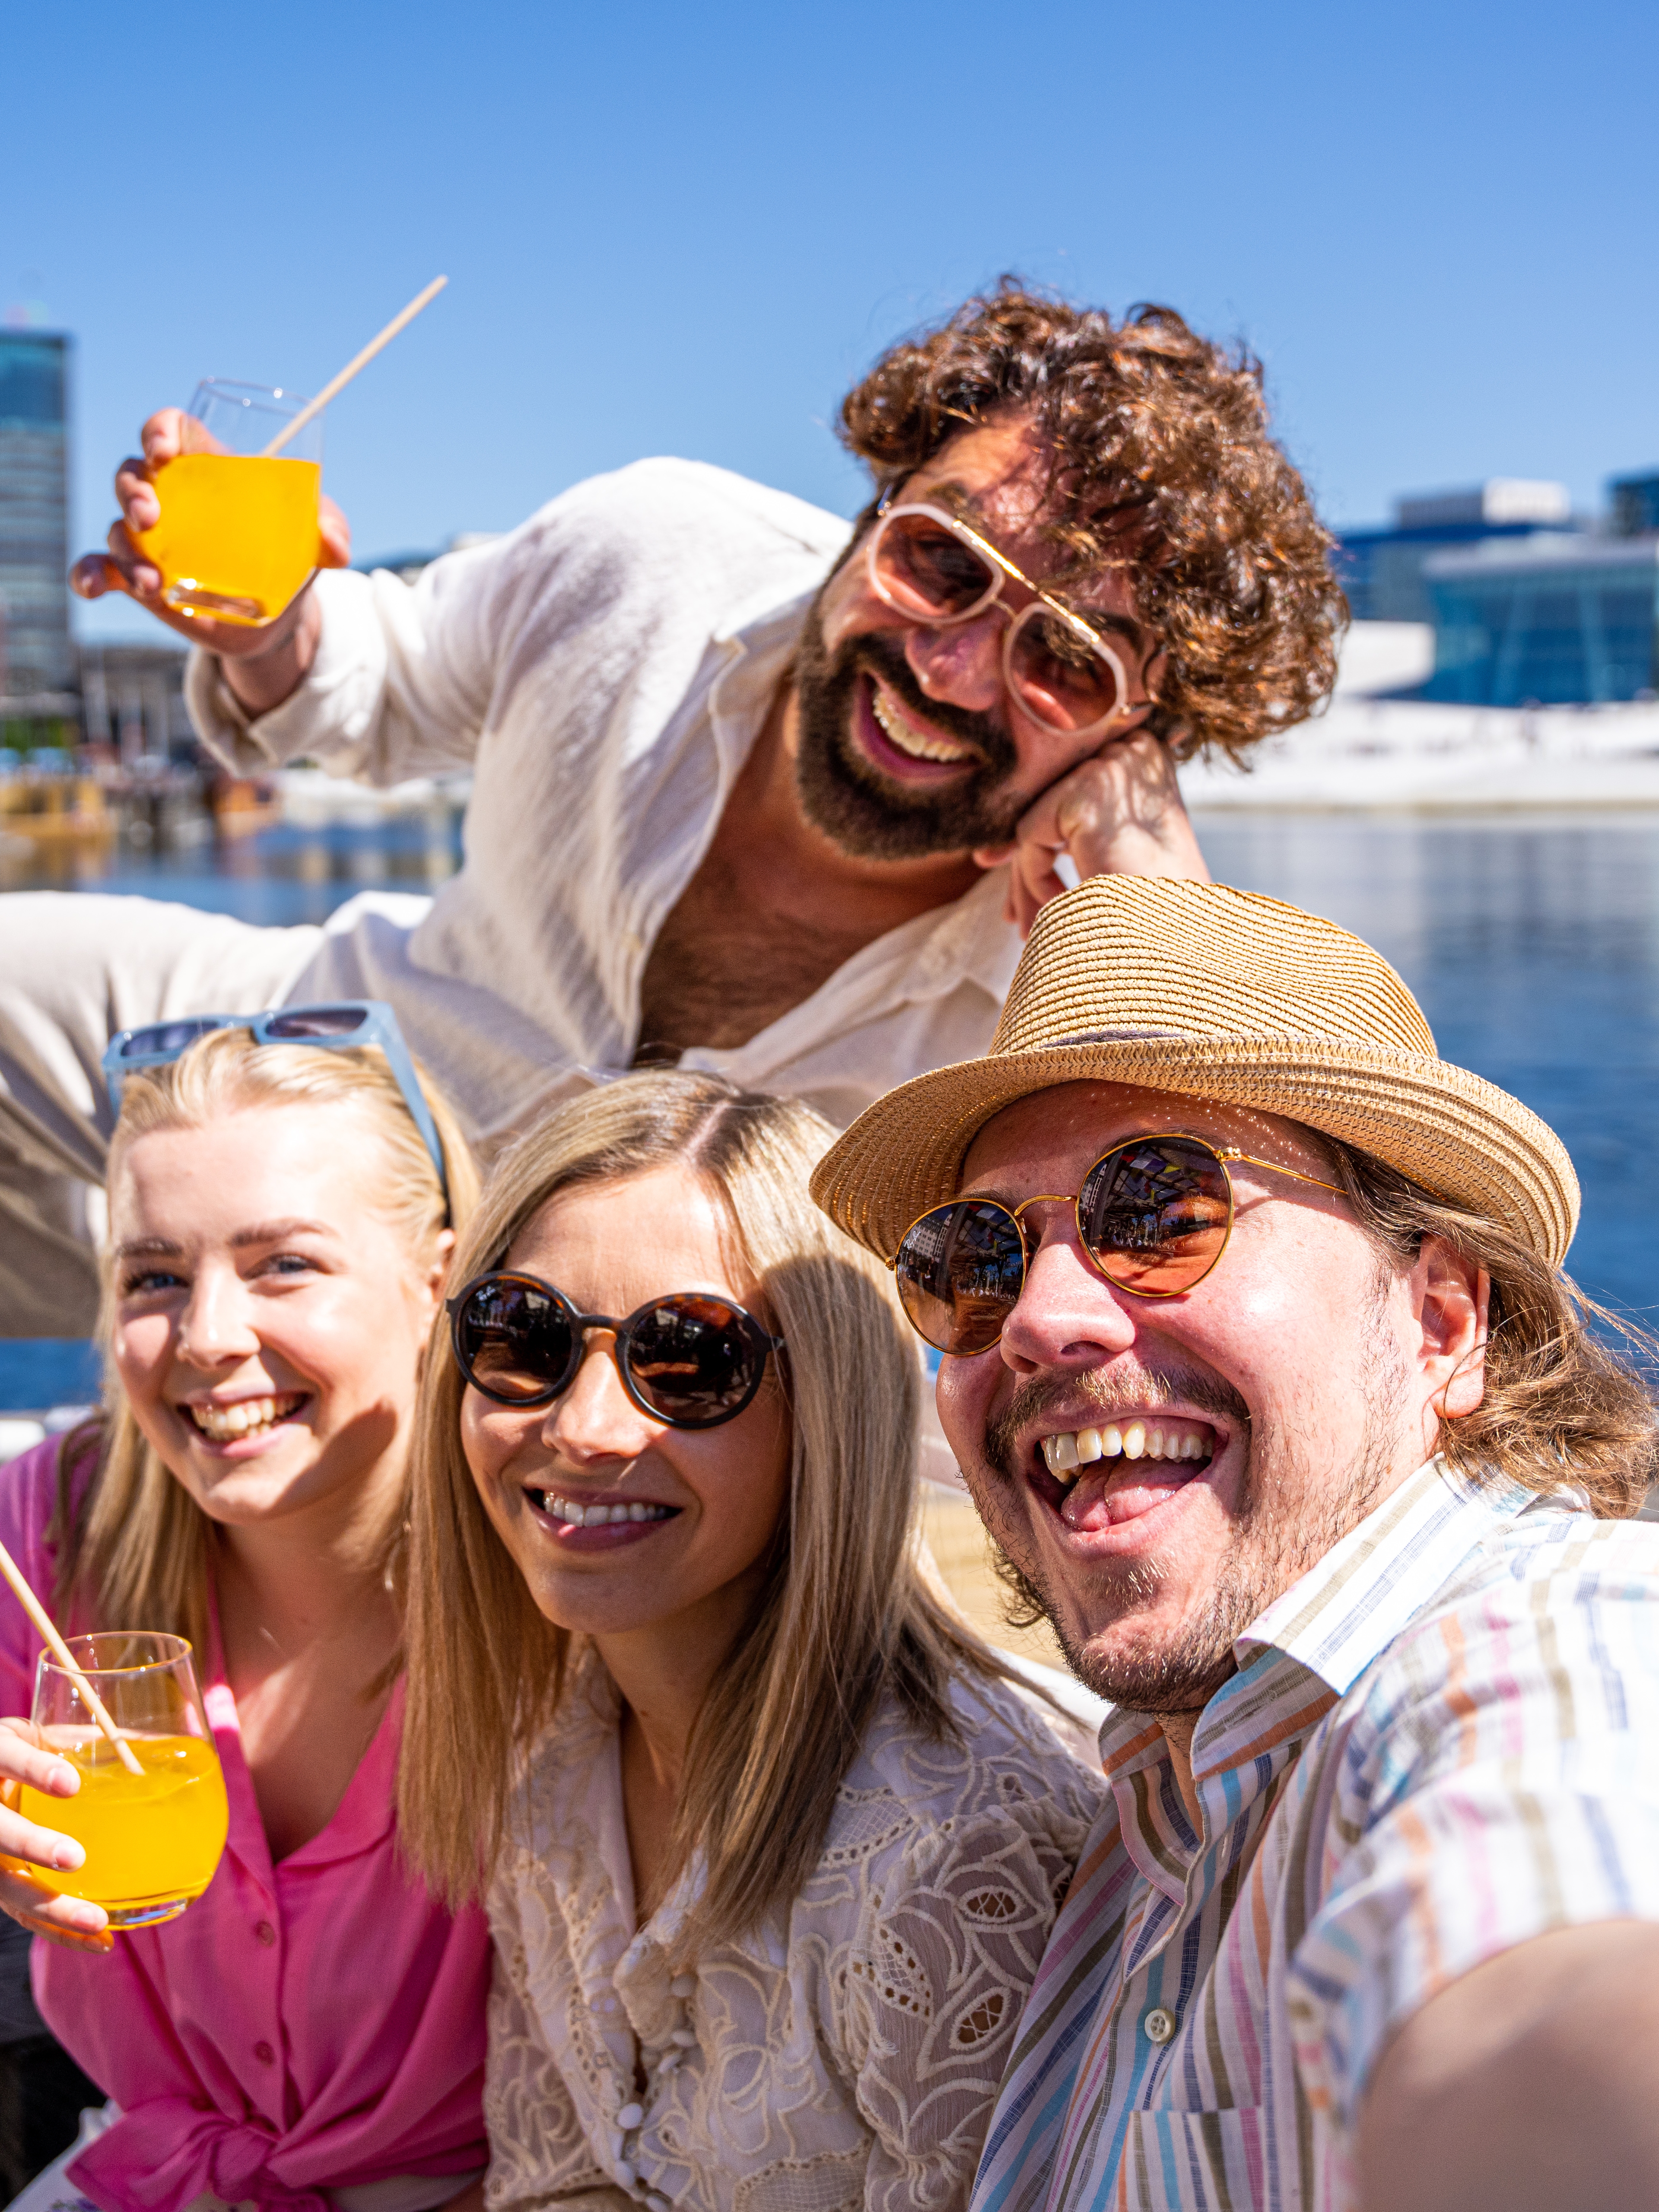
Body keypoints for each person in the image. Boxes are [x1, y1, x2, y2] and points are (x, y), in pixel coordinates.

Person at [3, 284, 1345, 1338]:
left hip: (590, 1369)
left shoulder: (1076, 973)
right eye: (941, 561)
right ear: (874, 508)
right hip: (349, 1055)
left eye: (1064, 659)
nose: (951, 669)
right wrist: (272, 621)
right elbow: (378, 678)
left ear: (1146, 728)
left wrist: (1151, 885)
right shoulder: (652, 551)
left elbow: (1243, 1288)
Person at [808, 873, 1659, 2212]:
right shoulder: (1165, 1805)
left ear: (1441, 1326)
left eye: (1158, 1211)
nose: (1041, 1317)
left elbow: (1546, 1977)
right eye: (976, 1256)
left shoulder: (1548, 1647)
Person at [394, 1070, 1106, 2212]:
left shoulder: (956, 1857)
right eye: (523, 1336)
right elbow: (557, 2186)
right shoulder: (551, 1756)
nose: (582, 1427)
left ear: (828, 1402)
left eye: (687, 1361)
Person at [0, 1011, 492, 2212]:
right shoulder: (53, 1526)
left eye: (285, 1266)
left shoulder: (545, 1574)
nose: (210, 1338)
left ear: (438, 1283)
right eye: (155, 1278)